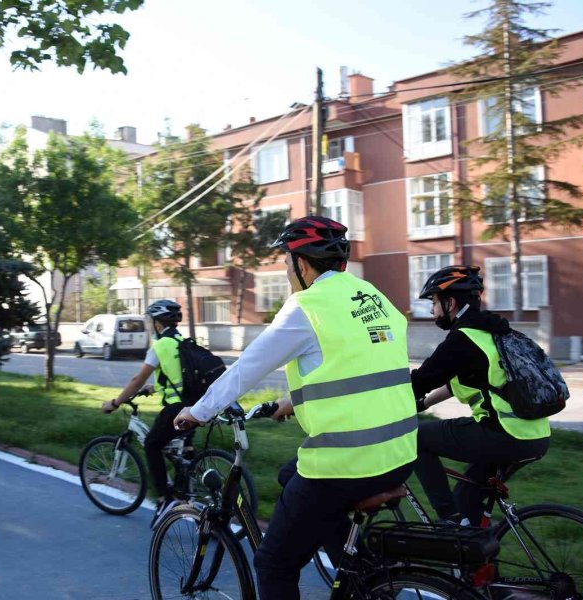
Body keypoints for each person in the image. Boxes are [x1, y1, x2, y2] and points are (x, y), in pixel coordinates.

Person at [173, 215, 418, 600]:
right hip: (401, 452)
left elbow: (246, 369)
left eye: (287, 265)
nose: (288, 274)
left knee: (273, 565)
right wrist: (292, 401)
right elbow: (356, 368)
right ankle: (360, 575)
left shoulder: (308, 306)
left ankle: (359, 577)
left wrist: (197, 412)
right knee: (291, 476)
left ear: (301, 264)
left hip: (348, 462)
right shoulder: (373, 296)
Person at [411, 265, 551, 526]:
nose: (432, 310)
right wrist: (423, 403)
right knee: (469, 500)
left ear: (450, 302)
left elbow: (420, 381)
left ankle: (447, 521)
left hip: (505, 434)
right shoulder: (492, 332)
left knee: (417, 437)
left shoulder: (462, 339)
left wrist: (386, 402)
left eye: (434, 302)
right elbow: (459, 383)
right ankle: (476, 554)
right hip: (535, 435)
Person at [101, 299, 189, 527]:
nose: (150, 325)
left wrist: (116, 402)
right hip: (195, 406)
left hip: (175, 408)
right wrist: (155, 387)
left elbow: (136, 379)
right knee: (182, 451)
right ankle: (186, 493)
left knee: (152, 444)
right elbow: (179, 375)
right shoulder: (183, 341)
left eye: (151, 321)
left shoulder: (159, 346)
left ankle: (165, 499)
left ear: (157, 323)